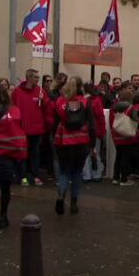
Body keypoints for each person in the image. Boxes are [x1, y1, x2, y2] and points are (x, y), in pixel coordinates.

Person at [0, 84, 27, 228]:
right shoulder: (14, 111)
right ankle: (3, 216)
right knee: (5, 187)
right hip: (8, 153)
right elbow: (18, 128)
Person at [52, 77, 97, 214]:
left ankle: (61, 196)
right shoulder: (85, 102)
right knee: (77, 172)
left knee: (64, 171)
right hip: (81, 140)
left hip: (64, 140)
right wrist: (92, 144)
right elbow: (91, 125)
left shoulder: (59, 101)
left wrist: (55, 139)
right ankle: (74, 203)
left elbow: (55, 123)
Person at [12, 69, 48, 187]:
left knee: (35, 153)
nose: (38, 79)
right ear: (29, 78)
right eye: (36, 77)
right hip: (22, 128)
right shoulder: (17, 91)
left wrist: (43, 100)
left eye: (38, 77)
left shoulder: (40, 91)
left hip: (37, 128)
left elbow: (46, 108)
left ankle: (35, 175)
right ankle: (22, 176)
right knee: (23, 154)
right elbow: (13, 107)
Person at [111, 91, 138, 186]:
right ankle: (124, 179)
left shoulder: (114, 108)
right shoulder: (131, 108)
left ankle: (115, 178)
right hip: (127, 136)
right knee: (126, 158)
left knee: (118, 157)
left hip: (117, 136)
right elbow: (135, 120)